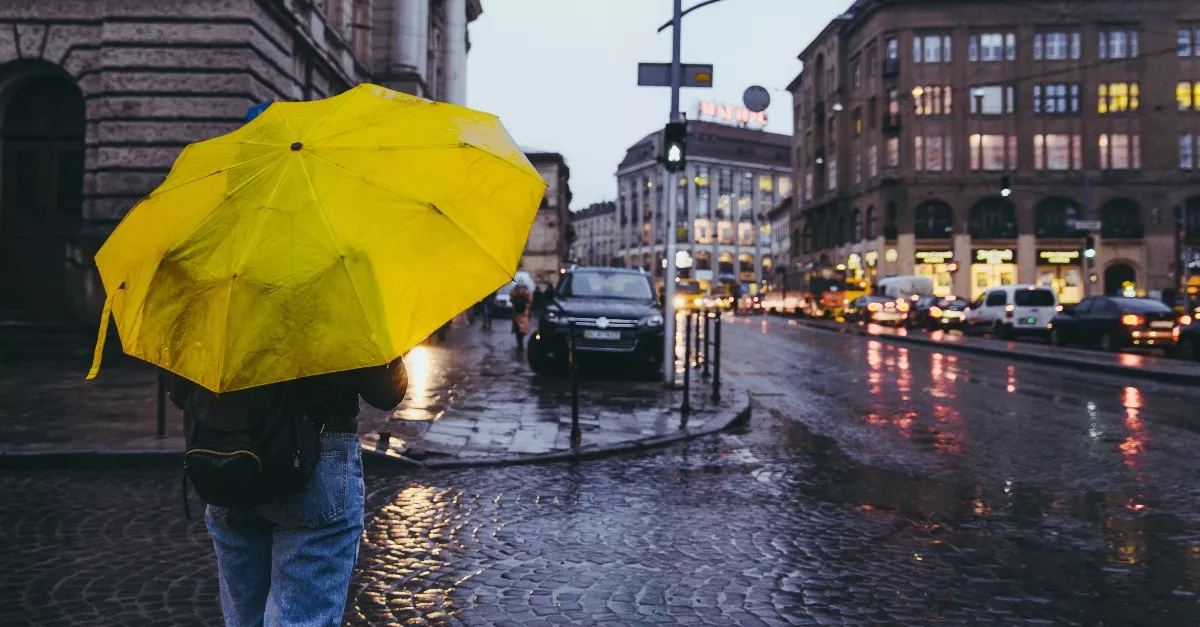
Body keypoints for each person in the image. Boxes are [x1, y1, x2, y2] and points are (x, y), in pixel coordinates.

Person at [170, 358, 408, 626]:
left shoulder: (212, 314)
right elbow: (386, 392)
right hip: (316, 451)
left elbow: (180, 391)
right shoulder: (338, 313)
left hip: (230, 455)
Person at [510, 282, 532, 350]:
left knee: (517, 329)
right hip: (524, 313)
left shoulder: (514, 292)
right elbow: (530, 301)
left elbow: (511, 300)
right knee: (522, 329)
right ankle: (521, 344)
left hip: (517, 313)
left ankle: (520, 344)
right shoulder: (527, 292)